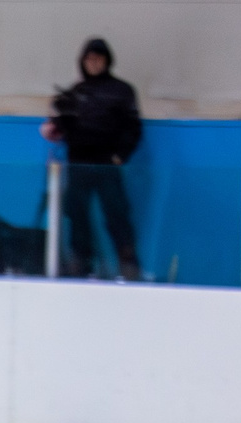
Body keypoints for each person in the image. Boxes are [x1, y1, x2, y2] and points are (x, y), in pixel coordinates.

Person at [43, 38, 143, 281]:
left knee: (116, 212)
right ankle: (80, 258)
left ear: (107, 61)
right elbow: (64, 126)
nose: (94, 63)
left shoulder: (122, 91)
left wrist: (120, 156)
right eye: (89, 58)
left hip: (107, 163)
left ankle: (127, 261)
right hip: (78, 162)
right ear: (82, 61)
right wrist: (56, 124)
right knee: (75, 212)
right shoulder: (76, 93)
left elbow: (133, 128)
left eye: (98, 58)